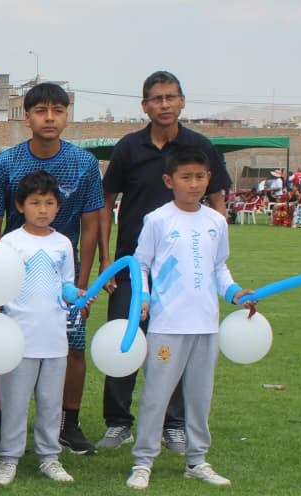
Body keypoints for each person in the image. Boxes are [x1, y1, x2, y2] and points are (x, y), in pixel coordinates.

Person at [98, 71, 231, 454]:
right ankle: (118, 422)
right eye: (156, 99)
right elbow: (107, 203)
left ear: (182, 101)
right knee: (125, 341)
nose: (164, 104)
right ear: (145, 106)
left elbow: (218, 197)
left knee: (178, 343)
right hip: (133, 266)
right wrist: (108, 259)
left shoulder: (199, 145)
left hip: (185, 271)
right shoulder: (128, 148)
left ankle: (174, 424)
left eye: (171, 97)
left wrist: (218, 249)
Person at [0, 81, 103, 454]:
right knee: (3, 345)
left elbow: (91, 221)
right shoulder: (6, 161)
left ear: (66, 115)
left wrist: (82, 284)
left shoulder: (83, 163)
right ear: (27, 116)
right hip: (13, 271)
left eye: (58, 110)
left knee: (73, 349)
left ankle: (69, 423)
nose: (49, 118)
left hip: (61, 270)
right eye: (41, 110)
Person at [125, 147, 254, 490]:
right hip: (168, 327)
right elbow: (140, 264)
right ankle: (143, 461)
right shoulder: (158, 220)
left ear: (209, 178)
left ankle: (197, 460)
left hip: (206, 326)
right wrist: (144, 297)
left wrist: (235, 292)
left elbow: (218, 267)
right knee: (156, 394)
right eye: (186, 177)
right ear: (169, 181)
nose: (194, 184)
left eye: (200, 177)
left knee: (200, 396)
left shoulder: (215, 221)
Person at [0, 171, 88, 485]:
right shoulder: (10, 242)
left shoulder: (63, 244)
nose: (42, 209)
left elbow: (67, 286)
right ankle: (8, 458)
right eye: (35, 203)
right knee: (15, 402)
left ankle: (49, 456)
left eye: (49, 203)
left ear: (58, 207)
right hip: (19, 338)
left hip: (55, 338)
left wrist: (77, 296)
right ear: (21, 206)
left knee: (50, 403)